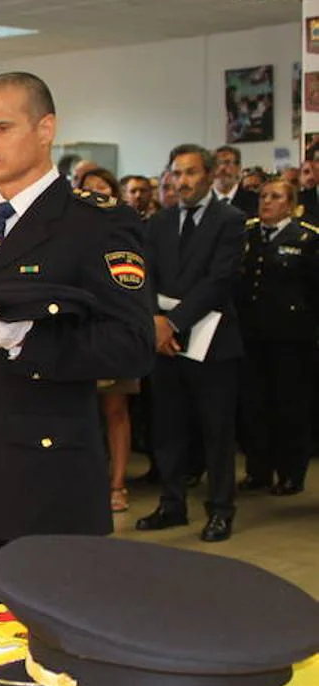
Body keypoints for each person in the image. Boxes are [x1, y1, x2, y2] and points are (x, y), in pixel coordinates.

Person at [0, 72, 155, 603]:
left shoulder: (94, 225)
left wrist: (26, 341)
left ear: (46, 129)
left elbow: (132, 343)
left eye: (1, 127)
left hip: (49, 482)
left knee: (55, 640)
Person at [136, 144, 246, 543]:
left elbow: (219, 281)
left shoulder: (230, 220)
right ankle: (172, 503)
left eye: (190, 173)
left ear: (210, 174)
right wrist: (154, 321)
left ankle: (220, 509)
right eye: (177, 173)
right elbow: (144, 275)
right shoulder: (159, 223)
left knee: (216, 430)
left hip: (213, 341)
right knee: (168, 426)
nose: (182, 181)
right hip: (163, 340)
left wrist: (174, 323)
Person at [236, 178, 319, 496]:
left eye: (275, 197)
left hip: (291, 338)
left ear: (291, 204)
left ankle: (290, 472)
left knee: (290, 407)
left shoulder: (306, 238)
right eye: (263, 196)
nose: (266, 202)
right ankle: (258, 469)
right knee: (254, 405)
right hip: (252, 334)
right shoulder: (248, 234)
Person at [77, 169, 140, 513]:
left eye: (103, 189)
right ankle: (87, 481)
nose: (97, 195)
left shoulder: (124, 227)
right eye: (89, 190)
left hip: (114, 329)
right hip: (79, 333)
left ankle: (117, 484)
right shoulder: (70, 230)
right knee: (82, 411)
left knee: (116, 410)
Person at [211, 145, 258, 216]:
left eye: (228, 163)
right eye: (218, 163)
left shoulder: (255, 200)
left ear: (238, 167)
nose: (222, 168)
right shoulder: (200, 201)